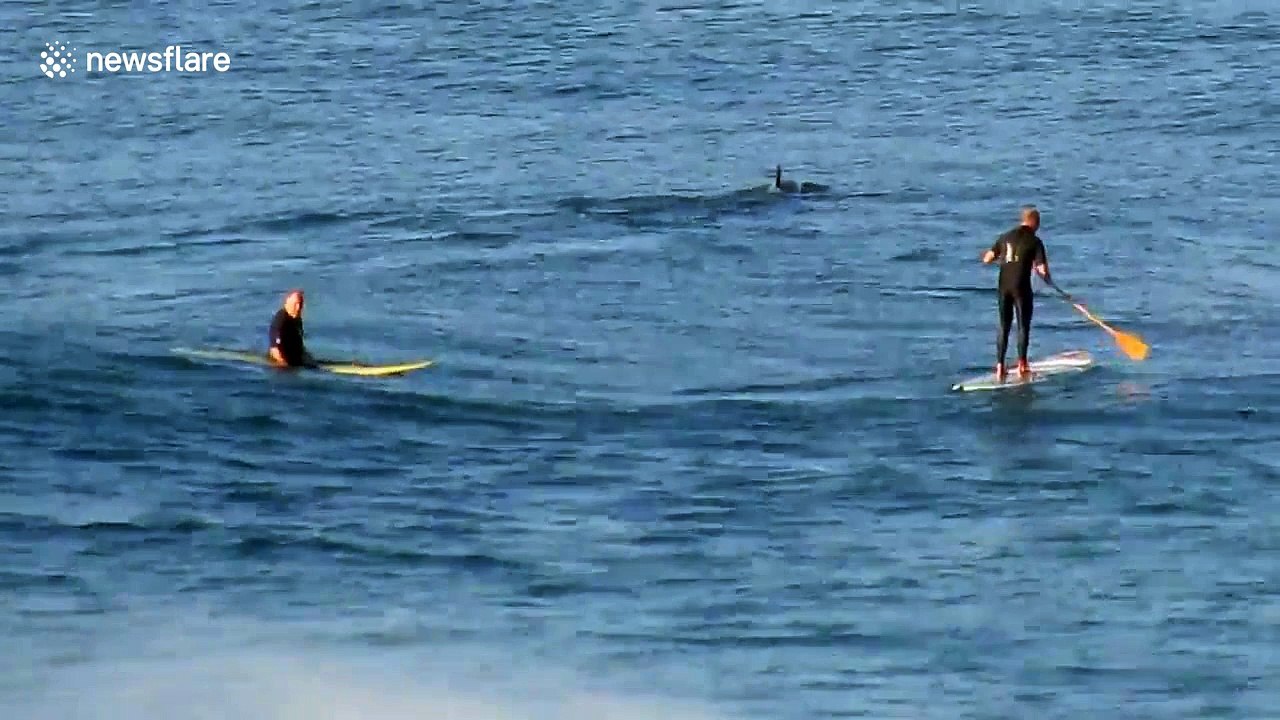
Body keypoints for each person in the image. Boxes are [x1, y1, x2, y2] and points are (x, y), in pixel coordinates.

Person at [981, 206, 1052, 380]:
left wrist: (1005, 259)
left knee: (1004, 325)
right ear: (1034, 222)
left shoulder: (1005, 236)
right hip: (1021, 287)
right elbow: (1042, 270)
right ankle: (1022, 365)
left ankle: (1000, 366)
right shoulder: (1035, 241)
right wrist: (1046, 277)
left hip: (1003, 286)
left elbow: (987, 259)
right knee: (1023, 326)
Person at [267, 289, 315, 367]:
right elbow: (274, 349)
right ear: (287, 303)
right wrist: (284, 364)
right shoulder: (280, 320)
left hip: (296, 359)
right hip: (282, 364)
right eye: (295, 304)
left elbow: (300, 343)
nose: (298, 307)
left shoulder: (297, 320)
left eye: (300, 304)